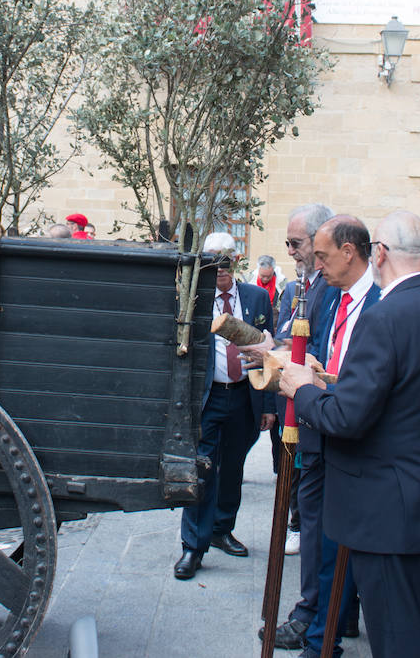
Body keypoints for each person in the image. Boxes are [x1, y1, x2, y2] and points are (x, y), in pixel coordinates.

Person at [279, 210, 420, 656]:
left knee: (400, 636)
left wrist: (303, 390)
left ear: (380, 254)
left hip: (390, 512)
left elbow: (348, 418)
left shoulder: (383, 318)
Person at [273, 215, 379, 658]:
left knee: (329, 538)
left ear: (348, 251)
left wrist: (318, 383)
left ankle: (321, 632)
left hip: (348, 436)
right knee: (322, 536)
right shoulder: (335, 296)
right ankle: (325, 626)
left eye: (318, 253)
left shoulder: (378, 303)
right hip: (322, 430)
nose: (312, 261)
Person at [265, 203, 349, 651]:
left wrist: (286, 359)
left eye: (296, 243)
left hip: (319, 419)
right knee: (314, 522)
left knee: (318, 529)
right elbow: (288, 334)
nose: (292, 252)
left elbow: (322, 350)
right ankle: (321, 613)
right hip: (304, 416)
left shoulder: (333, 289)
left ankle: (317, 616)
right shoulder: (303, 285)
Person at [174, 233, 275, 580]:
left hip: (245, 397)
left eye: (226, 260)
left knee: (233, 468)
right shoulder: (195, 300)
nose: (220, 268)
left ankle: (221, 529)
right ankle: (193, 546)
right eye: (213, 260)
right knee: (202, 468)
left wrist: (269, 404)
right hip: (209, 397)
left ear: (236, 262)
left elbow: (270, 355)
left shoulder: (257, 298)